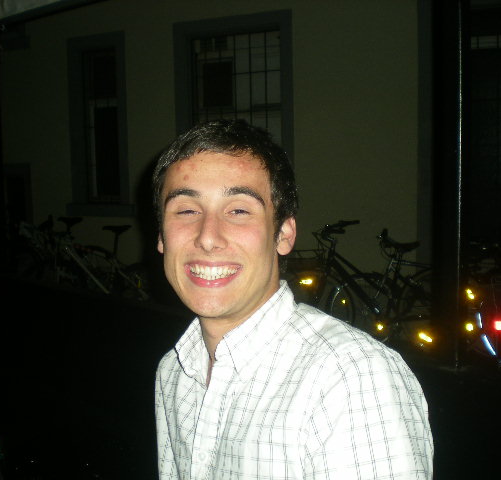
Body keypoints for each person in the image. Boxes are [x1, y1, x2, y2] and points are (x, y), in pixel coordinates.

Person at [153, 119, 433, 479]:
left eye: (238, 210)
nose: (208, 237)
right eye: (186, 210)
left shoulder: (350, 379)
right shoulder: (174, 372)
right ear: (161, 237)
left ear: (284, 234)